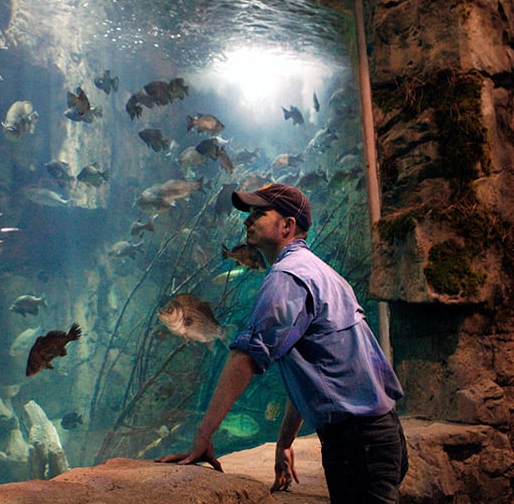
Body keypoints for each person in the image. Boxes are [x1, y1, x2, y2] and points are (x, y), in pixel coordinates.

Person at [155, 183, 408, 503]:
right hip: (382, 433)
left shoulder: (287, 277)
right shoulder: (323, 273)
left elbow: (244, 358)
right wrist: (285, 441)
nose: (248, 221)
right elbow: (318, 371)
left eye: (259, 214)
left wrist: (203, 436)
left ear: (287, 225)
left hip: (358, 443)